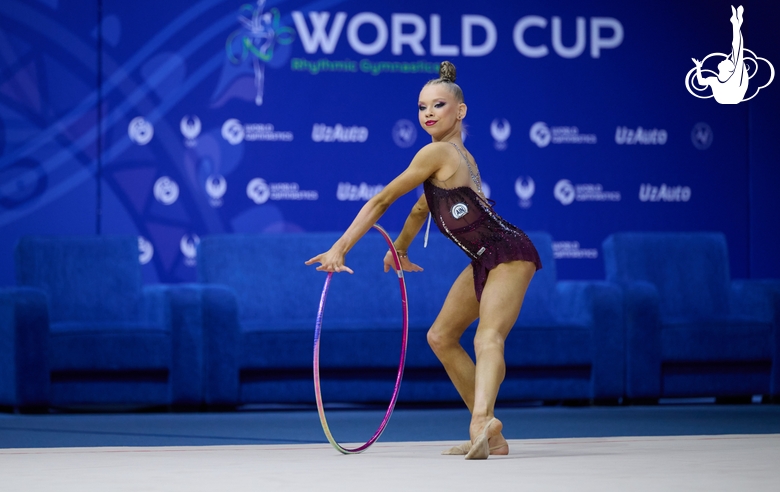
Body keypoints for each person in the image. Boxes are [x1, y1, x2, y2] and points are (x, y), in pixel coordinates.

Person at [305, 61, 542, 459]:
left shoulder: (439, 153)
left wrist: (341, 247)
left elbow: (382, 199)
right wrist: (400, 248)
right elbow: (420, 209)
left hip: (509, 254)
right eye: (421, 107)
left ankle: (482, 421)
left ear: (460, 111)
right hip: (485, 259)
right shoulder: (452, 158)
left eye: (438, 105)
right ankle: (492, 436)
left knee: (487, 337)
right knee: (440, 336)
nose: (428, 113)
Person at [692, 5, 748, 104]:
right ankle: (736, 23)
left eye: (727, 61)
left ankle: (736, 23)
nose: (725, 59)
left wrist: (736, 25)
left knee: (737, 51)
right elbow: (701, 82)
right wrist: (698, 67)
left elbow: (737, 49)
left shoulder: (734, 77)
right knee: (737, 52)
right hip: (727, 97)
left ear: (729, 69)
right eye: (727, 60)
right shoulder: (714, 80)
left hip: (733, 96)